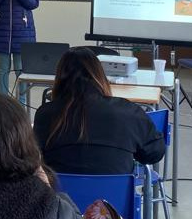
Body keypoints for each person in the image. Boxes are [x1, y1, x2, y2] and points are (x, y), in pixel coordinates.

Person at [34, 47, 166, 174]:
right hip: (115, 196)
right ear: (100, 75)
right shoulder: (128, 112)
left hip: (61, 195)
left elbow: (35, 157)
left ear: (59, 78)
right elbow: (154, 154)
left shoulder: (45, 115)